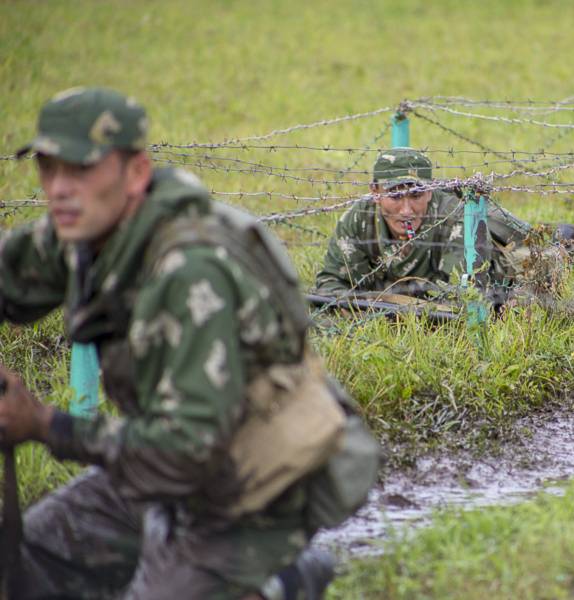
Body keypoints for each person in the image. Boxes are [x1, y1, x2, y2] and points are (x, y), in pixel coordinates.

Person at [0, 87, 370, 599]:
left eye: (81, 170)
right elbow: (10, 273)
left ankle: (281, 580)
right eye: (48, 168)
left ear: (135, 173)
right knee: (26, 553)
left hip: (252, 483)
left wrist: (44, 424)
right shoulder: (88, 232)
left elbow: (185, 453)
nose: (59, 188)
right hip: (168, 458)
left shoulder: (190, 272)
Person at [315, 148, 574, 301]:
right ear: (375, 192)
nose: (406, 210)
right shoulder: (358, 218)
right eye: (394, 196)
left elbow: (462, 298)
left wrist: (374, 301)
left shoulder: (455, 217)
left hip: (504, 269)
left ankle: (564, 244)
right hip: (408, 294)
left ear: (430, 191)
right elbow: (329, 286)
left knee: (548, 266)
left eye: (416, 195)